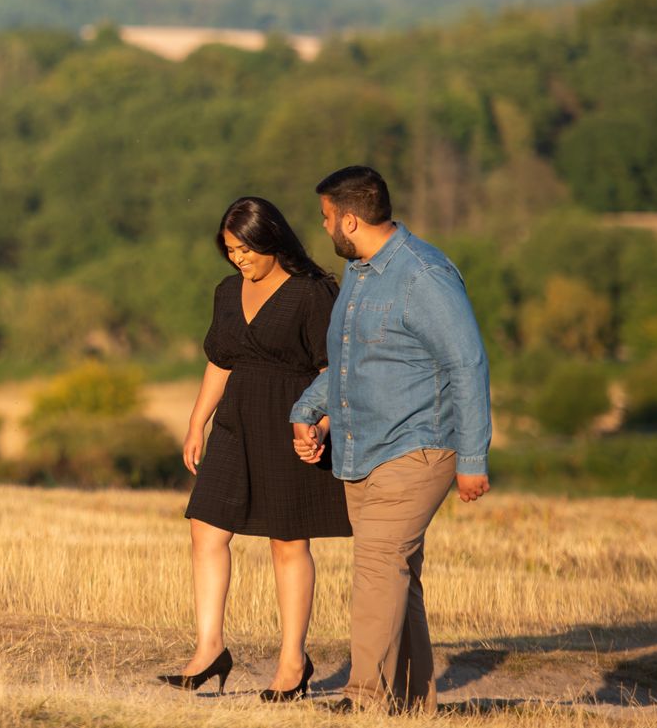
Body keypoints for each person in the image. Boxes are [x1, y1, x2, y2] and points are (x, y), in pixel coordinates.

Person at [290, 165, 492, 714]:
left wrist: (472, 458)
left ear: (349, 219)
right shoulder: (359, 273)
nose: (325, 227)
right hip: (364, 447)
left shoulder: (422, 275)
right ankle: (408, 703)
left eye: (327, 218)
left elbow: (467, 363)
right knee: (399, 576)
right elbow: (353, 362)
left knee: (378, 566)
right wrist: (308, 409)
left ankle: (363, 699)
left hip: (419, 446)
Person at [162, 196, 350, 700]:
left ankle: (293, 663)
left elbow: (332, 371)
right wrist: (196, 422)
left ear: (273, 241)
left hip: (292, 422)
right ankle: (209, 649)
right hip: (233, 424)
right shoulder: (227, 292)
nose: (238, 259)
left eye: (246, 249)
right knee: (206, 529)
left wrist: (322, 426)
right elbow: (221, 361)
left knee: (287, 543)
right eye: (230, 250)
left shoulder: (313, 293)